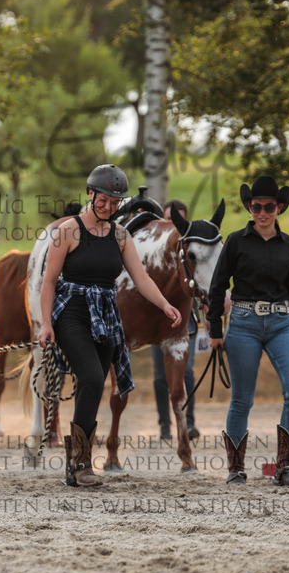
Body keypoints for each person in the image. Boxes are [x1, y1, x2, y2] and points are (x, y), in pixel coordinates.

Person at [38, 164, 183, 487]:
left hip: (105, 314)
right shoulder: (68, 232)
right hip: (71, 311)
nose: (108, 207)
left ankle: (75, 468)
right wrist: (46, 323)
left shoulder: (120, 235)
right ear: (90, 194)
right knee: (90, 376)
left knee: (95, 384)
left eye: (115, 203)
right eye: (103, 200)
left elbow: (140, 277)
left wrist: (165, 304)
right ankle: (80, 464)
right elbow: (49, 282)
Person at [207, 175, 289, 488]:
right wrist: (214, 329)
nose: (262, 212)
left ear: (279, 207)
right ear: (249, 207)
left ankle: (284, 467)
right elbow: (217, 286)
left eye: (269, 206)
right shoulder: (236, 242)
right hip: (243, 323)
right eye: (256, 206)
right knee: (242, 400)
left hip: (283, 323)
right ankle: (236, 469)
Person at [151, 199, 201, 443]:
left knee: (186, 372)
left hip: (186, 320)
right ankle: (164, 426)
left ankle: (188, 421)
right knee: (161, 377)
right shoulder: (157, 255)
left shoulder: (190, 249)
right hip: (158, 320)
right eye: (170, 220)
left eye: (179, 220)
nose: (174, 226)